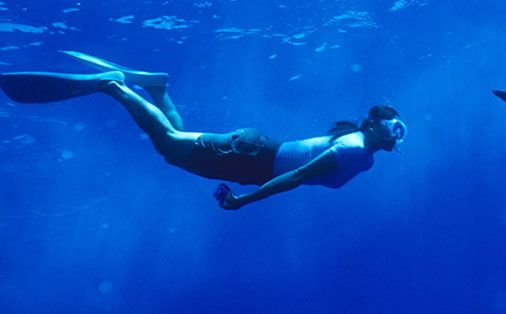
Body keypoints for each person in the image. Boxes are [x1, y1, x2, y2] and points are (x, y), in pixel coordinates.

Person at [0, 52, 406, 210]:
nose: (396, 134)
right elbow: (297, 176)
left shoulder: (365, 158)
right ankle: (113, 87)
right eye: (393, 126)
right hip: (253, 158)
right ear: (372, 123)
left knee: (178, 142)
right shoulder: (354, 148)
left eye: (399, 130)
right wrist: (244, 202)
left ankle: (157, 89)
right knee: (169, 147)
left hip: (254, 155)